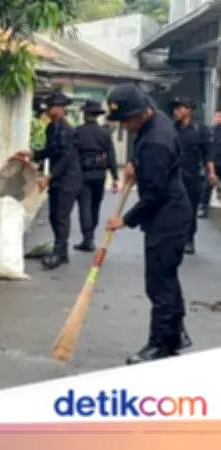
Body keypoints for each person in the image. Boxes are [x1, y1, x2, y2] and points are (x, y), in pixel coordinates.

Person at [104, 85, 193, 364]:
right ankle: (175, 335)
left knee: (159, 285)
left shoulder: (157, 141)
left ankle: (160, 344)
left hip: (167, 218)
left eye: (127, 120)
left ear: (142, 112)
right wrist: (134, 163)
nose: (125, 126)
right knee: (167, 279)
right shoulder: (156, 121)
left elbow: (155, 194)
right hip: (171, 214)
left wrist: (125, 220)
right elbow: (147, 158)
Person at [16, 91, 81, 270]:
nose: (48, 110)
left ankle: (59, 253)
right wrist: (32, 154)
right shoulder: (52, 128)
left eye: (52, 107)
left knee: (61, 216)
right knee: (54, 215)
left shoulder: (67, 131)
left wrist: (48, 176)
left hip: (68, 179)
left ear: (61, 108)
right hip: (58, 179)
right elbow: (51, 151)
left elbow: (65, 158)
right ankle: (61, 251)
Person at [169, 96, 215, 254]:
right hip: (174, 175)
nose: (175, 111)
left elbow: (207, 153)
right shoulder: (171, 129)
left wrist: (211, 173)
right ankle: (175, 238)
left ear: (188, 110)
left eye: (179, 108)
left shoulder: (199, 130)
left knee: (190, 209)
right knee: (173, 208)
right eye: (175, 108)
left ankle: (189, 239)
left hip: (192, 175)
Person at [73, 100, 119, 252]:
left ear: (85, 114)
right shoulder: (104, 133)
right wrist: (115, 177)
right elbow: (111, 155)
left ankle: (88, 239)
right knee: (95, 206)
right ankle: (90, 234)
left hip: (82, 174)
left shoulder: (78, 132)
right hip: (100, 175)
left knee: (84, 206)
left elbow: (72, 155)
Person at [198, 109, 221, 218]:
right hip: (212, 163)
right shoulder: (210, 131)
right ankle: (203, 208)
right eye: (217, 116)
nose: (218, 119)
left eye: (220, 117)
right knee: (207, 186)